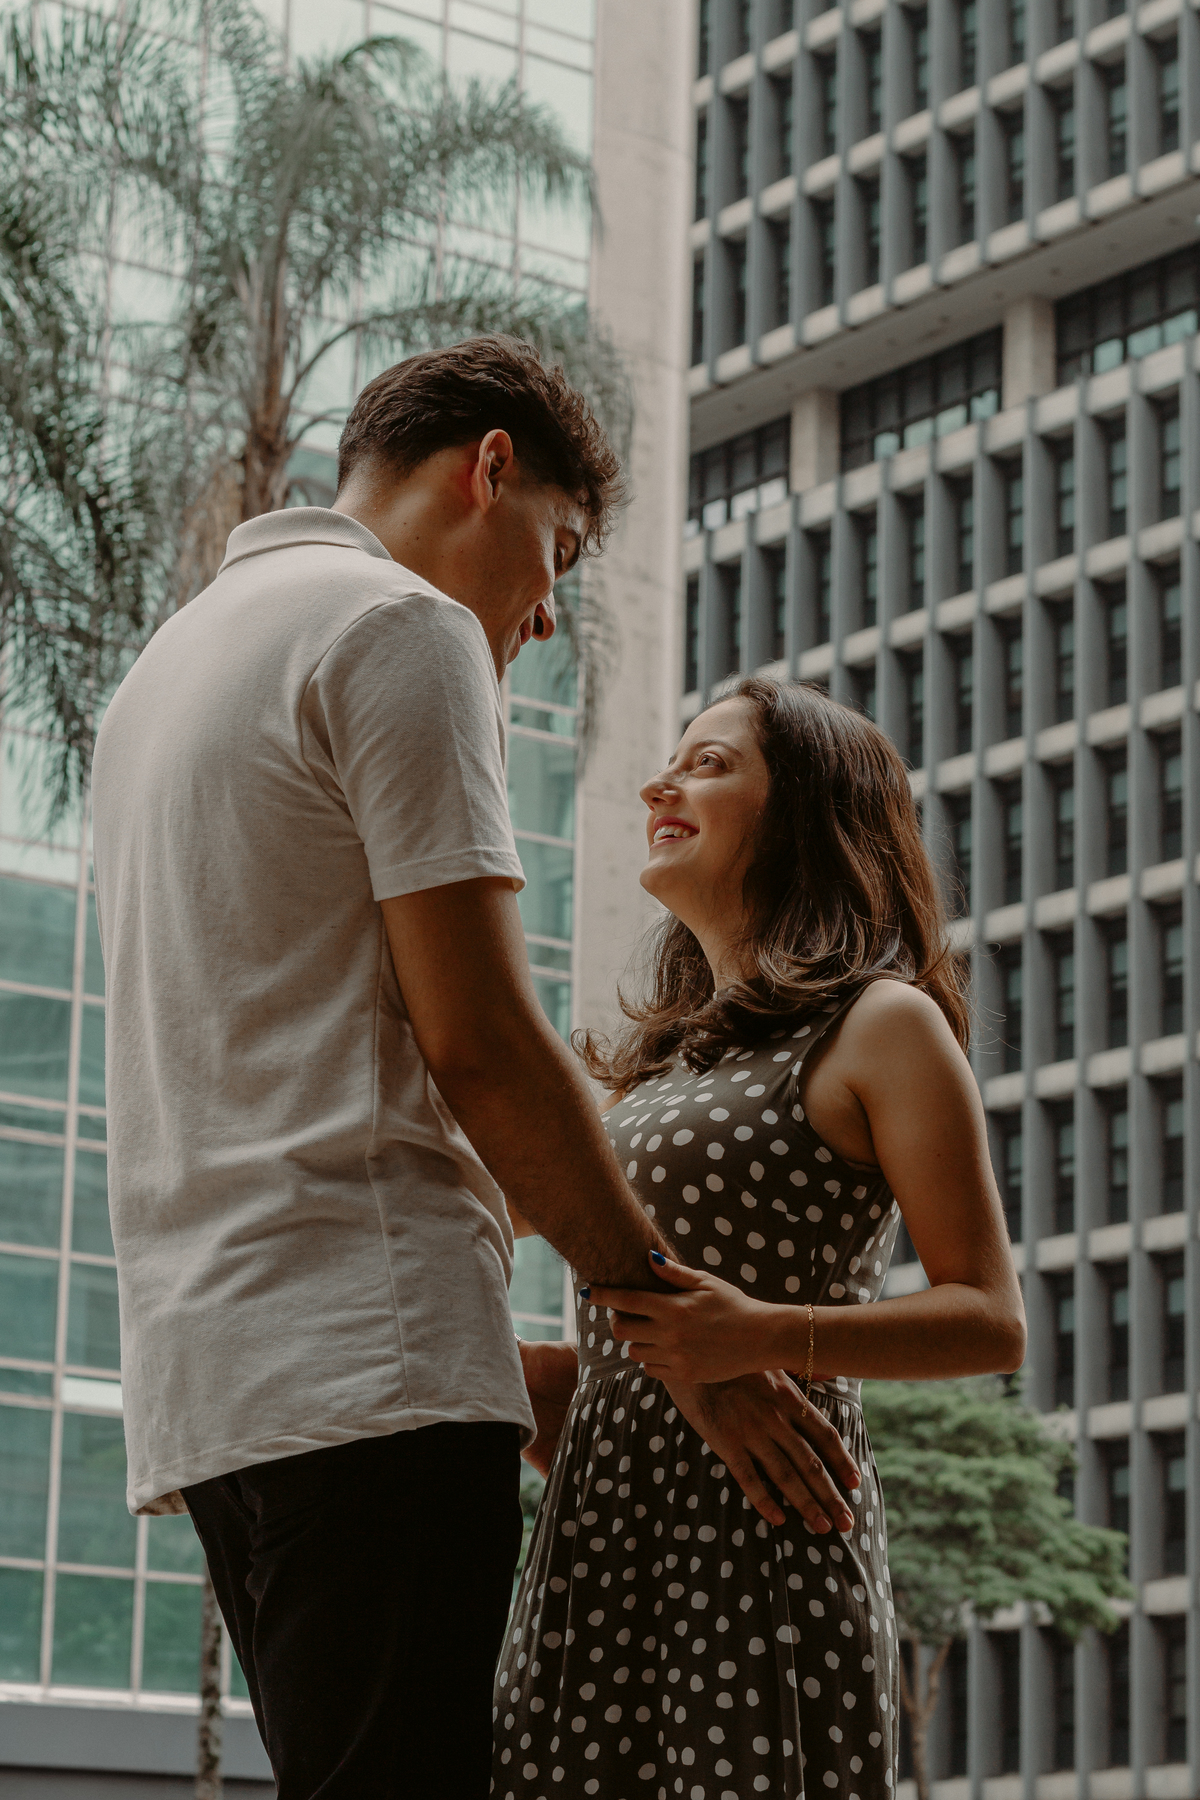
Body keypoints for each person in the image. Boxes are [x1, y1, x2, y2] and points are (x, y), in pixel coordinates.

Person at [89, 340, 856, 1800]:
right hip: (373, 1381)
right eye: (558, 551)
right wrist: (670, 1332)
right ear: (489, 468)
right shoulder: (402, 624)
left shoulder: (162, 674)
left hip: (219, 1396)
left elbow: (286, 1067)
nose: (549, 612)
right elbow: (484, 1044)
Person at [494, 677, 1026, 1800]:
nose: (661, 785)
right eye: (672, 761)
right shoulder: (660, 1068)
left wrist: (764, 1335)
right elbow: (472, 1223)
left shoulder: (882, 1023)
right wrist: (555, 1387)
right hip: (600, 1536)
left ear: (806, 812)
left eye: (709, 763)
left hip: (764, 1539)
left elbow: (989, 1319)